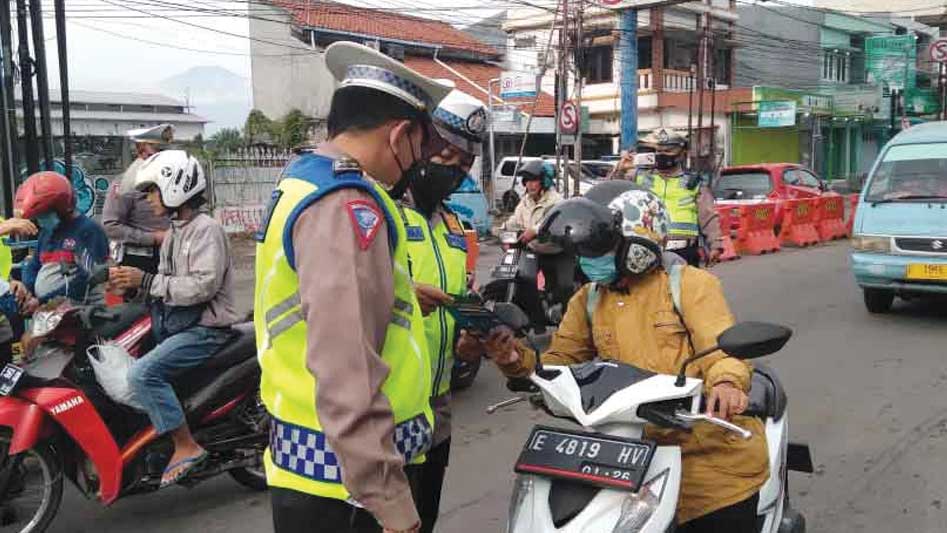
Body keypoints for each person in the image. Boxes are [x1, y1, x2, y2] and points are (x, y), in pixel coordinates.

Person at [482, 184, 769, 532]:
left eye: (597, 250)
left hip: (705, 459)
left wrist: (725, 383)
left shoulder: (691, 286)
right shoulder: (588, 300)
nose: (587, 261)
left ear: (638, 245)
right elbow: (559, 366)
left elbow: (722, 347)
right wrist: (516, 360)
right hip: (628, 460)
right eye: (584, 252)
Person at [253, 41, 452, 533]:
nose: (417, 164)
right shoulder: (347, 204)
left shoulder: (306, 182)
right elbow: (347, 366)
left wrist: (401, 291)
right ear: (401, 134)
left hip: (319, 471)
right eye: (421, 148)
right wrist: (390, 502)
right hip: (348, 494)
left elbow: (315, 299)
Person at [109, 150, 238, 487]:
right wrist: (132, 286)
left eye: (152, 191)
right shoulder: (177, 231)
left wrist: (147, 281)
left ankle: (185, 444)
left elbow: (201, 287)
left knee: (141, 375)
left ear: (174, 188)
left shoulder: (206, 230)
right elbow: (164, 286)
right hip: (176, 323)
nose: (149, 199)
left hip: (204, 330)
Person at [395, 88, 488, 533]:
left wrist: (470, 342)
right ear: (421, 144)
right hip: (387, 413)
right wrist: (404, 292)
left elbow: (460, 298)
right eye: (445, 154)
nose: (453, 169)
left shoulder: (454, 226)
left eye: (464, 162)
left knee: (424, 519)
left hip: (437, 410)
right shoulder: (382, 213)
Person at [10, 171, 109, 312]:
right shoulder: (48, 232)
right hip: (49, 313)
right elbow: (34, 265)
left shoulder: (88, 231)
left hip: (83, 311)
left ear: (60, 208)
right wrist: (28, 291)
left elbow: (88, 277)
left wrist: (41, 300)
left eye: (43, 215)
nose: (39, 220)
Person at [634, 129, 722, 267]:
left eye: (668, 151)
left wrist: (715, 245)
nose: (661, 155)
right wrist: (620, 169)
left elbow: (708, 216)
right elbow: (611, 194)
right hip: (648, 251)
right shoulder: (640, 179)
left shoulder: (693, 183)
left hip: (684, 252)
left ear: (681, 154)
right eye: (658, 151)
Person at [101, 124, 173, 273]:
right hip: (139, 261)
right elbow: (111, 227)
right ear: (142, 151)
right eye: (158, 151)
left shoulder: (172, 181)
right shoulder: (125, 184)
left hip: (172, 257)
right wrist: (153, 238)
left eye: (166, 151)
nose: (164, 156)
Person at [500, 159, 562, 244]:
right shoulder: (526, 200)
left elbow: (554, 224)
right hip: (527, 247)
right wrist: (504, 228)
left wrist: (535, 230)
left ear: (545, 182)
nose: (529, 184)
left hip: (546, 248)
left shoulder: (556, 201)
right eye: (527, 180)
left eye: (534, 180)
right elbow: (516, 219)